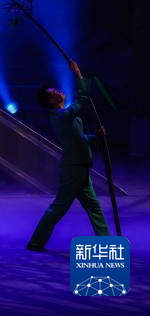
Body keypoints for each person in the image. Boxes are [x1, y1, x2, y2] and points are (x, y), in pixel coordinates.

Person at [26, 60, 110, 251]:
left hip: (79, 168)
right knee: (60, 207)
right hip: (74, 170)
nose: (58, 91)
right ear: (50, 101)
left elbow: (79, 139)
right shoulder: (62, 116)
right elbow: (84, 100)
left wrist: (96, 136)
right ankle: (36, 242)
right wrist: (77, 73)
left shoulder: (63, 115)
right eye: (53, 92)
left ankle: (105, 241)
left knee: (92, 207)